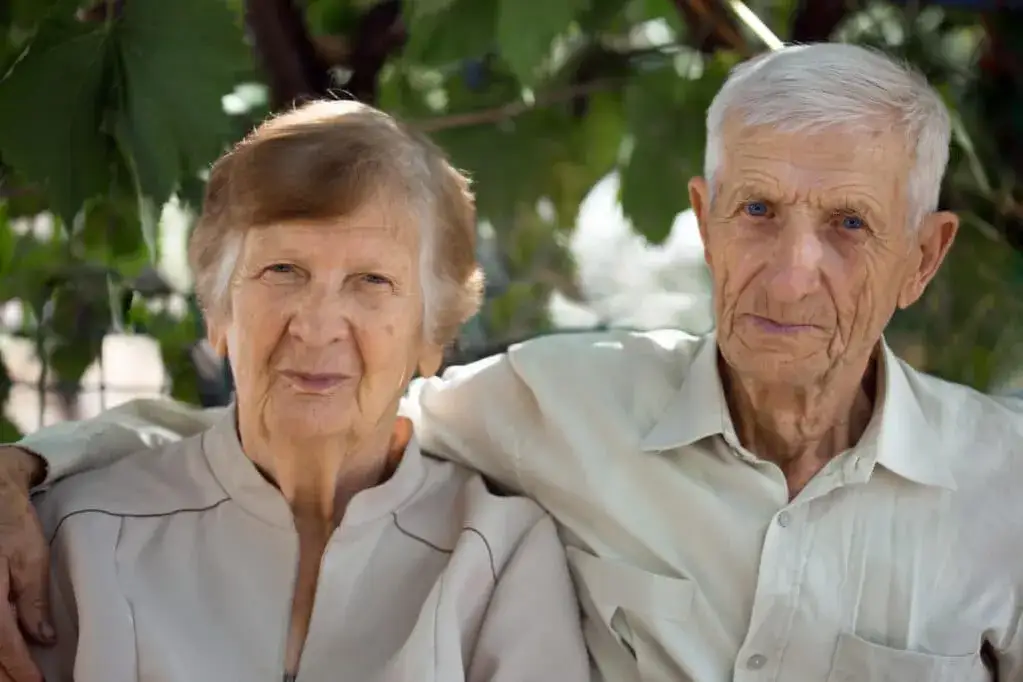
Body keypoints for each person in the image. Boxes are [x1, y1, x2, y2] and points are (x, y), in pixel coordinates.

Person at [3, 41, 1023, 682]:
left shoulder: (1007, 487)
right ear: (706, 227)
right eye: (757, 211)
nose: (793, 272)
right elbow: (313, 411)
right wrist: (25, 469)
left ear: (922, 258)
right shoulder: (564, 404)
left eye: (849, 224)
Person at [0, 99, 590, 682]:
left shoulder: (496, 555)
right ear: (219, 310)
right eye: (283, 270)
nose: (316, 323)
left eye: (371, 281)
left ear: (432, 336)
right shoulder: (76, 538)